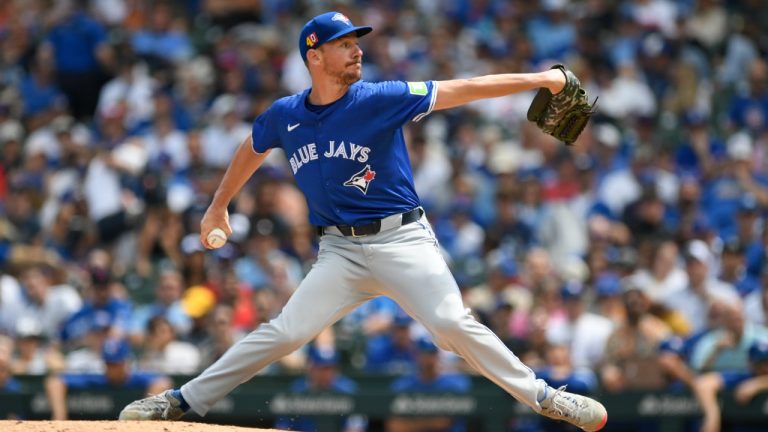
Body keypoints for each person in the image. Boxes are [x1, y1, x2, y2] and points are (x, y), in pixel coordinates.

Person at [118, 11, 608, 431]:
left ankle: (545, 397)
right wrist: (218, 204)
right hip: (339, 252)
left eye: (357, 44)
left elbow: (465, 88)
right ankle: (182, 401)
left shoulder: (379, 97)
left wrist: (545, 79)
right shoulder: (285, 114)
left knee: (450, 323)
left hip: (403, 240)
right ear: (314, 56)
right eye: (344, 45)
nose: (357, 52)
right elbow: (253, 145)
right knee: (286, 332)